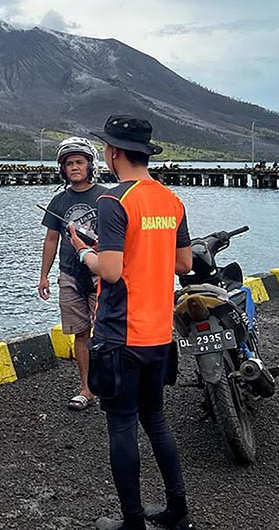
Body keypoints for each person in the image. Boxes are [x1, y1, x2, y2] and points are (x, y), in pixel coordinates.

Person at [66, 115, 195, 530]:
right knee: (155, 420)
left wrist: (86, 252)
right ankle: (177, 510)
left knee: (121, 424)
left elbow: (112, 271)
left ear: (114, 152)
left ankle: (133, 520)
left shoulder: (113, 201)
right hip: (159, 333)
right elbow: (183, 263)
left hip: (121, 333)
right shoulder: (171, 201)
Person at [37, 136, 106, 411]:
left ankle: (112, 383)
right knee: (80, 333)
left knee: (108, 330)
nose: (74, 167)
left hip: (101, 273)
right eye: (69, 164)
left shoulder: (106, 196)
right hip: (69, 275)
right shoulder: (58, 201)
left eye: (79, 162)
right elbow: (51, 239)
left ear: (91, 165)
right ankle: (86, 388)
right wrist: (43, 275)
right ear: (62, 169)